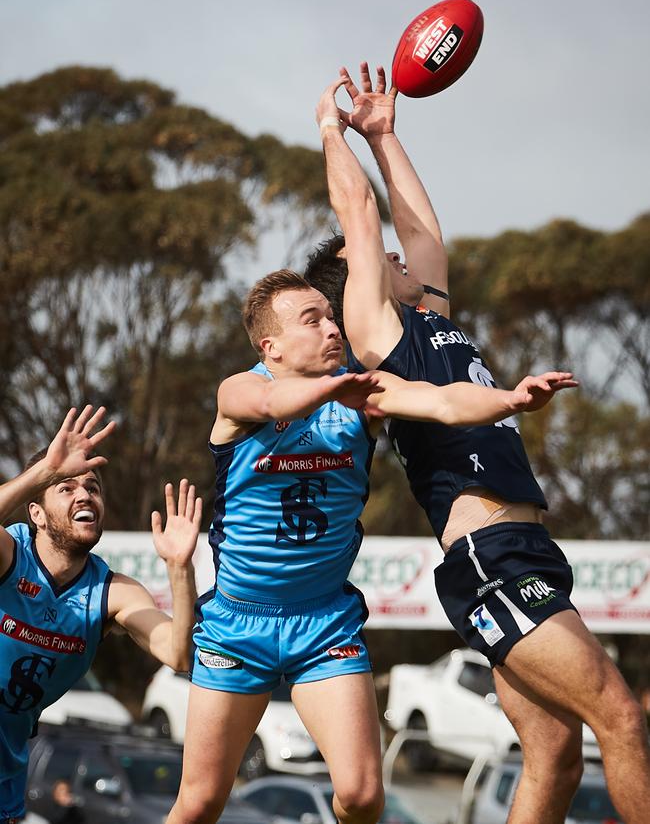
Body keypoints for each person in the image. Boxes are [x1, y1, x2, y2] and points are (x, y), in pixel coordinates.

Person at [305, 66, 650, 824]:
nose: (401, 259)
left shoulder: (429, 321)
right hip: (487, 560)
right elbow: (358, 214)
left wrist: (387, 137)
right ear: (354, 282)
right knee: (621, 717)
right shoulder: (375, 331)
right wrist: (334, 132)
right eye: (382, 261)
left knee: (555, 752)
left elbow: (423, 231)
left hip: (526, 551)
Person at [166, 268, 575, 824]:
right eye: (313, 321)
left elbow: (445, 403)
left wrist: (510, 399)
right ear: (272, 346)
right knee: (199, 804)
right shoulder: (240, 390)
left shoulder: (361, 392)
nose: (332, 328)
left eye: (331, 317)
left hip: (323, 624)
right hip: (238, 624)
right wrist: (334, 389)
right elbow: (273, 403)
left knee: (362, 797)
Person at [0, 406, 202, 824]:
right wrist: (43, 472)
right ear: (35, 513)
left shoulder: (111, 592)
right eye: (66, 487)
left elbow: (178, 654)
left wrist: (181, 569)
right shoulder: (10, 555)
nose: (84, 495)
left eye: (92, 487)